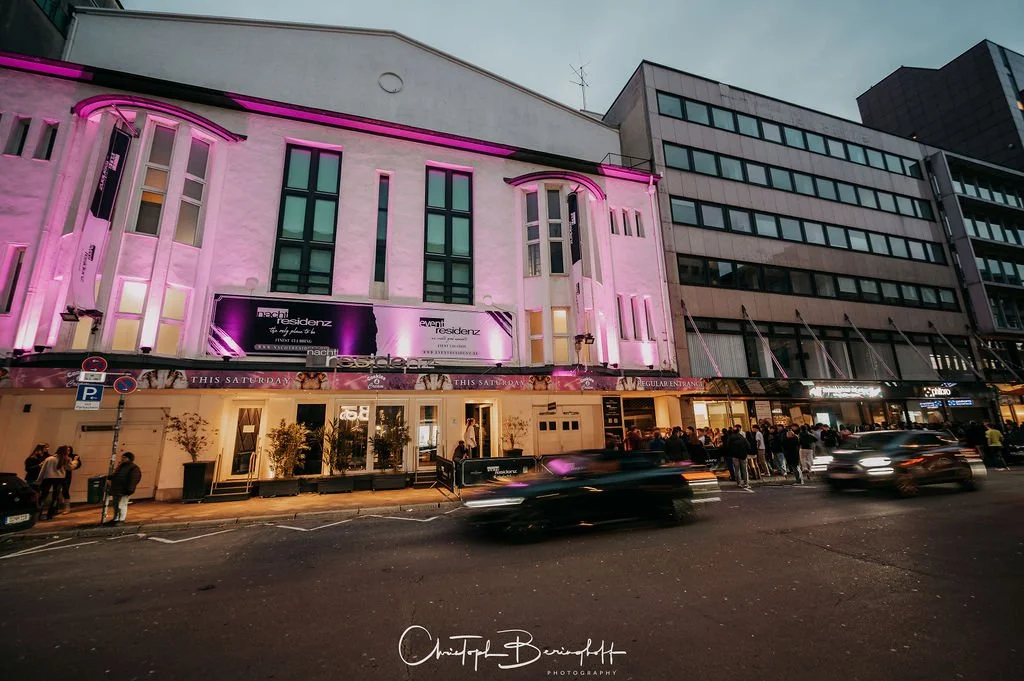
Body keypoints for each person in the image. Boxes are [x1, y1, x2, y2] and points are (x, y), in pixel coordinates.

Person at [107, 452, 142, 524]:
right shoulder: (121, 466)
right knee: (116, 505)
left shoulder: (133, 468)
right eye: (122, 457)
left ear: (129, 459)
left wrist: (130, 489)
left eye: (124, 457)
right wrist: (110, 477)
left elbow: (134, 479)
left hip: (125, 490)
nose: (122, 459)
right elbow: (117, 475)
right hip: (117, 489)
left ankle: (121, 520)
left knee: (121, 505)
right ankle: (116, 519)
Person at [36, 445, 70, 520]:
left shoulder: (49, 459)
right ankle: (50, 515)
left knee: (43, 496)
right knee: (55, 497)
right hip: (59, 479)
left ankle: (38, 514)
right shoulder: (65, 459)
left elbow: (43, 470)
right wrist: (75, 461)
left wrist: (39, 480)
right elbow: (69, 468)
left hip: (48, 478)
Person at [61, 445, 82, 514]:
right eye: (67, 450)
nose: (68, 451)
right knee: (57, 491)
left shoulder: (72, 456)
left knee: (65, 490)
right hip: (58, 475)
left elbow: (74, 466)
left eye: (69, 450)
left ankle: (67, 507)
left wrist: (76, 460)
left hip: (67, 476)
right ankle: (55, 507)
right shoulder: (60, 456)